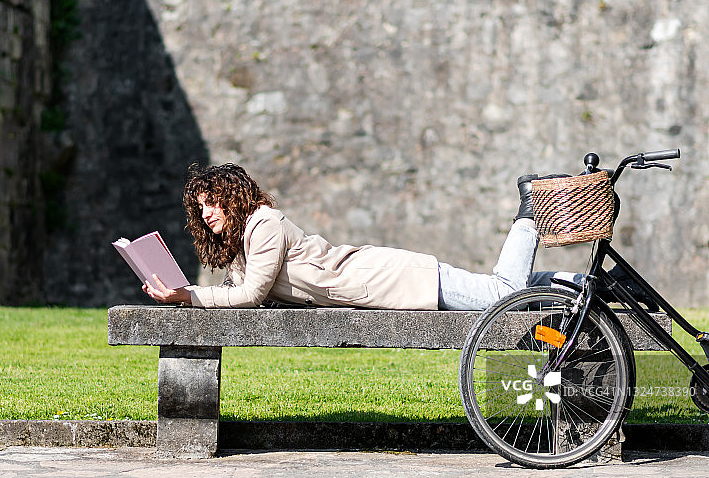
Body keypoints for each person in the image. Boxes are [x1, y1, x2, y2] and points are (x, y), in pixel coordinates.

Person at [142, 163, 636, 310]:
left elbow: (249, 297)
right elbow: (242, 289)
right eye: (200, 208)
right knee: (499, 291)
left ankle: (529, 213)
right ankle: (593, 285)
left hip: (390, 279)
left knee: (501, 294)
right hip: (380, 279)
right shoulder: (247, 243)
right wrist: (183, 289)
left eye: (213, 203)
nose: (207, 214)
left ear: (235, 196)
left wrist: (188, 296)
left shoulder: (263, 225)